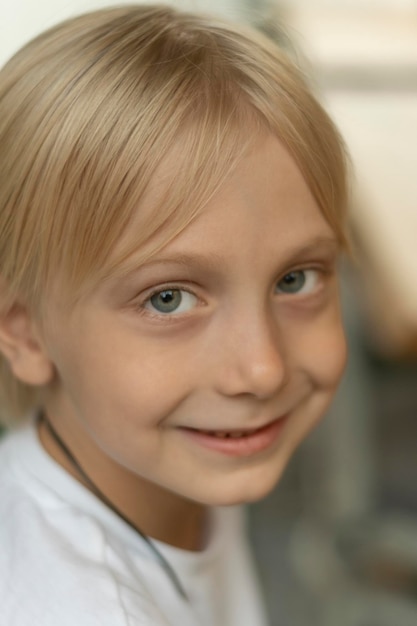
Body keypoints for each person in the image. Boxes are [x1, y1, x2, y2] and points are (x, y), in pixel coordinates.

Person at [0, 4, 349, 625]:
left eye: (294, 280)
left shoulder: (179, 461)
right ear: (23, 330)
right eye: (169, 299)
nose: (262, 371)